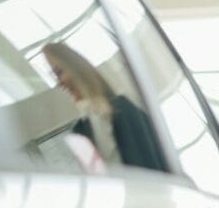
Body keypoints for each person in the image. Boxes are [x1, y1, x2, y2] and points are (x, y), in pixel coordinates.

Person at [42, 42, 164, 170]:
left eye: (59, 72)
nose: (59, 83)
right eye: (54, 76)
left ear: (76, 68)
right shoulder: (80, 130)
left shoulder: (122, 108)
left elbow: (155, 163)